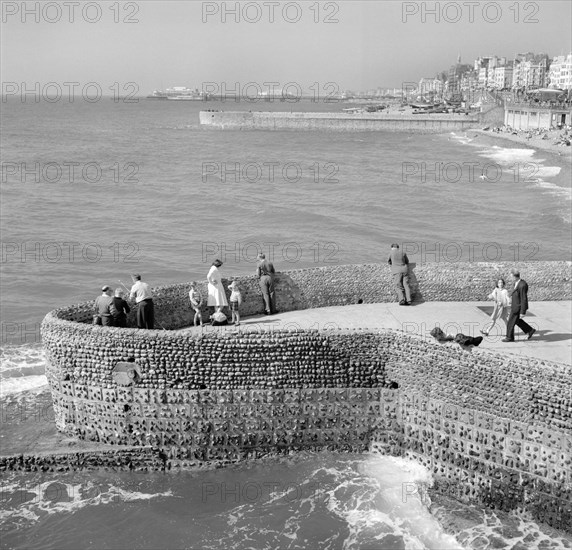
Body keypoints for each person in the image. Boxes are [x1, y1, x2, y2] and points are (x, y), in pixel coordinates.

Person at [502, 269, 536, 342]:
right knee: (516, 321)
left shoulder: (522, 285)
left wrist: (522, 312)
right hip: (514, 305)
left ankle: (509, 337)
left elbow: (524, 298)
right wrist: (510, 295)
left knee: (510, 322)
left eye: (511, 276)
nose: (510, 278)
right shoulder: (516, 283)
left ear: (515, 276)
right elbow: (515, 291)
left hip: (517, 307)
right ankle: (530, 330)